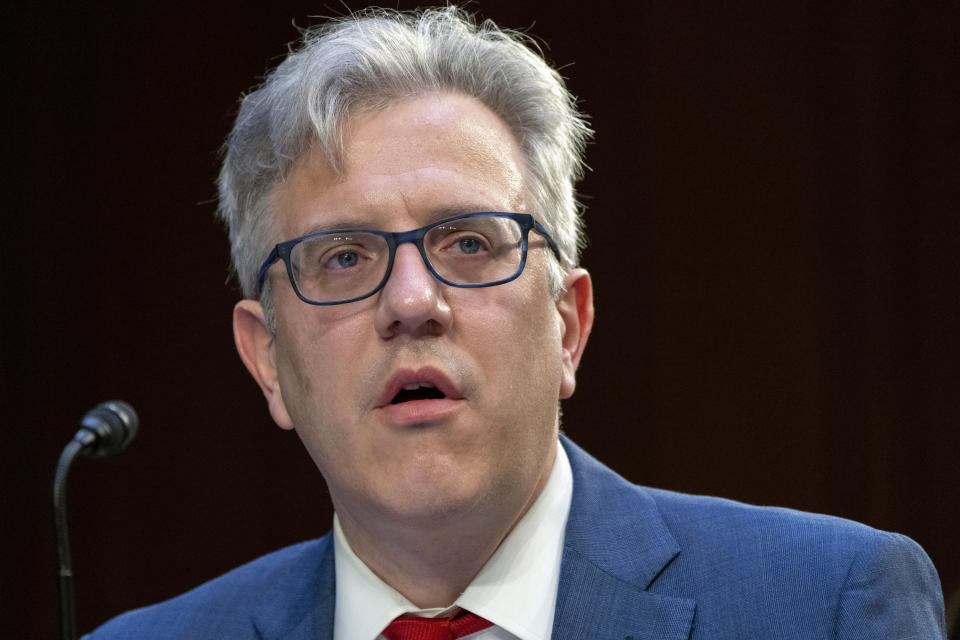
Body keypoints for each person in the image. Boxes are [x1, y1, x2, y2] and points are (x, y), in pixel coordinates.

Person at [86, 7, 946, 639]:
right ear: (267, 358)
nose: (412, 303)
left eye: (467, 242)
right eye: (343, 257)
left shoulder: (823, 605)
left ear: (567, 325)